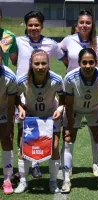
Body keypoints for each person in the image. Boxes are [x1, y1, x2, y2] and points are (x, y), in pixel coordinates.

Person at [16, 11, 67, 179]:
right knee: (23, 131)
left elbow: (66, 60)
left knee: (47, 132)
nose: (33, 28)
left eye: (36, 25)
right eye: (30, 25)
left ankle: (43, 165)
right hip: (23, 90)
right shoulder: (17, 41)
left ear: (42, 26)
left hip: (45, 89)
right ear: (26, 26)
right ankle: (28, 165)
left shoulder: (51, 44)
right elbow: (13, 58)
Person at [59, 9, 98, 177]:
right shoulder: (68, 40)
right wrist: (70, 68)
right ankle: (65, 167)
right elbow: (61, 56)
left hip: (93, 90)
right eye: (82, 22)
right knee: (68, 131)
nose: (84, 25)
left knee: (97, 132)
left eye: (88, 22)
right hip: (73, 89)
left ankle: (96, 164)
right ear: (77, 24)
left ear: (92, 24)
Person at [15, 49, 65, 194]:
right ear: (31, 64)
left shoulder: (56, 79)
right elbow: (16, 97)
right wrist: (20, 108)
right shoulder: (22, 80)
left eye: (44, 63)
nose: (40, 67)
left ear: (48, 64)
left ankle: (53, 181)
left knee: (54, 147)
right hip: (30, 117)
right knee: (23, 148)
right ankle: (23, 181)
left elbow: (63, 97)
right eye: (37, 63)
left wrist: (60, 109)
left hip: (50, 116)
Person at [62, 48, 98, 193]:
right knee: (68, 141)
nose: (88, 66)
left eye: (91, 62)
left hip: (95, 110)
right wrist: (70, 127)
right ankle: (66, 179)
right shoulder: (70, 78)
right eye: (84, 62)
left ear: (96, 62)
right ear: (79, 63)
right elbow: (68, 104)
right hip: (75, 110)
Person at [0, 46, 17, 194]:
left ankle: (7, 178)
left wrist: (9, 126)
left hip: (3, 110)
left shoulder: (10, 76)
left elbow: (11, 105)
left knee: (6, 140)